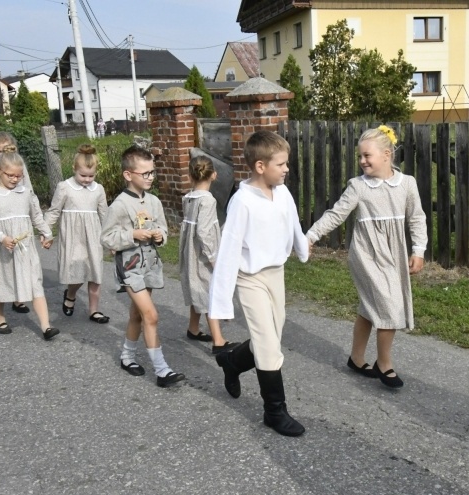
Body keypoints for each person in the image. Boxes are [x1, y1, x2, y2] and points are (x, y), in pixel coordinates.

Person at [305, 125, 426, 388]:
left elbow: (417, 218)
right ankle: (385, 364)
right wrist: (310, 235)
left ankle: (356, 358)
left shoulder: (407, 184)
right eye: (360, 156)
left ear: (386, 154)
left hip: (393, 254)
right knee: (389, 306)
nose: (362, 161)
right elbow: (336, 214)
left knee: (370, 308)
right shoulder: (358, 187)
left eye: (367, 156)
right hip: (366, 255)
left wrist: (419, 250)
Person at [209, 130, 309, 437]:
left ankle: (233, 363)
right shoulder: (242, 202)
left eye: (287, 163)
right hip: (249, 278)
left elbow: (293, 223)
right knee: (267, 344)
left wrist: (302, 248)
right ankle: (274, 412)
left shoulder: (282, 192)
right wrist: (220, 303)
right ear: (260, 166)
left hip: (275, 274)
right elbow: (228, 251)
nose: (287, 168)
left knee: (271, 337)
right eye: (281, 164)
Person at [100, 145, 185, 388]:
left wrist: (160, 236)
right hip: (130, 267)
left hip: (150, 265)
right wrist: (133, 234)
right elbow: (106, 237)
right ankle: (162, 370)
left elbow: (164, 229)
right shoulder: (119, 204)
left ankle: (127, 357)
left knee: (137, 314)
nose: (150, 177)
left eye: (152, 172)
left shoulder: (154, 201)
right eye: (144, 173)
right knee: (151, 315)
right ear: (128, 175)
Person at [0, 145, 59, 340]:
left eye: (19, 176)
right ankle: (0, 317)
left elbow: (36, 216)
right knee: (1, 281)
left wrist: (46, 233)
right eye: (10, 176)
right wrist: (2, 238)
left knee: (35, 282)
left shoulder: (26, 193)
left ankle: (46, 326)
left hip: (25, 246)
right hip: (1, 247)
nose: (15, 179)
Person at [44, 144, 110, 324]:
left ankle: (94, 310)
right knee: (76, 272)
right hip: (73, 237)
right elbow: (54, 211)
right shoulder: (64, 187)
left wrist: (112, 241)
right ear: (74, 169)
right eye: (83, 175)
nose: (87, 179)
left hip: (93, 236)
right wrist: (46, 232)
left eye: (91, 175)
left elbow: (105, 215)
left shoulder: (99, 190)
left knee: (95, 273)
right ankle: (71, 294)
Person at [180, 155, 236, 353]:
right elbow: (203, 232)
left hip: (191, 253)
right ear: (214, 175)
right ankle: (218, 341)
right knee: (209, 294)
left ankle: (193, 328)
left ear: (190, 176)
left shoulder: (188, 198)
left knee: (198, 288)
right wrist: (213, 258)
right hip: (203, 255)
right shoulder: (208, 201)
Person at [0, 131, 35, 314]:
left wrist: (33, 208)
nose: (3, 154)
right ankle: (4, 304)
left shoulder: (19, 167)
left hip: (19, 214)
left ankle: (19, 298)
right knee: (4, 264)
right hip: (3, 216)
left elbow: (26, 185)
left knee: (20, 260)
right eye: (0, 151)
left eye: (7, 150)